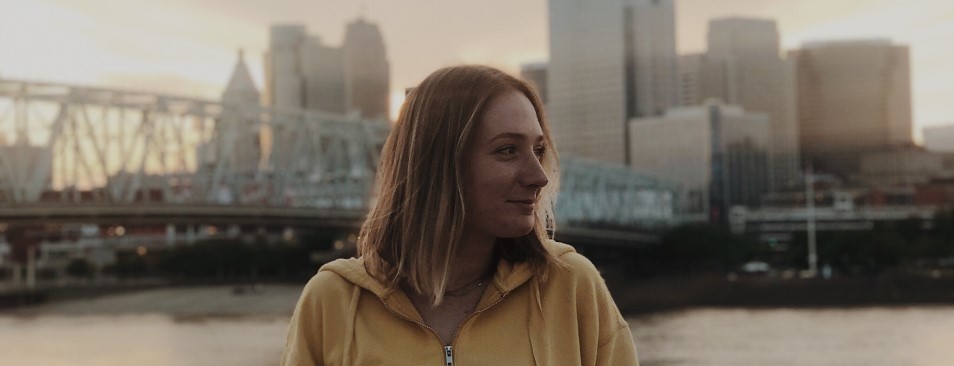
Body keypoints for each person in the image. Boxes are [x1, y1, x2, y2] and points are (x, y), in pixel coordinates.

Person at [280, 65, 639, 365]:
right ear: (437, 164)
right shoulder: (331, 303)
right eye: (507, 150)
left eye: (538, 149)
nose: (538, 176)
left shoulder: (571, 286)